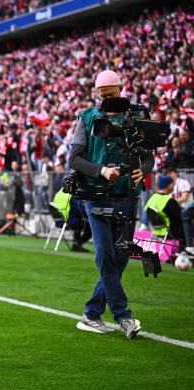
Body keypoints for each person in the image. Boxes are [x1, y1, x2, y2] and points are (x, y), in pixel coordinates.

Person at [68, 70, 154, 339]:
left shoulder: (137, 116)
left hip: (127, 194)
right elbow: (75, 159)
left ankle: (91, 313)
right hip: (95, 195)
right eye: (101, 95)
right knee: (105, 253)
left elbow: (148, 154)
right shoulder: (86, 117)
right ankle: (123, 316)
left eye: (111, 94)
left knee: (121, 256)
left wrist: (145, 170)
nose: (106, 99)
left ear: (121, 89)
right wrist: (101, 171)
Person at [145, 175, 186, 250]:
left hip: (156, 231)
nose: (173, 186)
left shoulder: (151, 199)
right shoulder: (169, 201)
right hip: (169, 232)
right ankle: (185, 252)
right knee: (187, 226)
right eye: (172, 184)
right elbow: (179, 220)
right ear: (168, 185)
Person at [165, 168, 194, 252]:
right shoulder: (170, 185)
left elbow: (185, 197)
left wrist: (173, 203)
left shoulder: (183, 182)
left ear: (174, 173)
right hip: (179, 210)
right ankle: (181, 247)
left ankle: (187, 246)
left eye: (169, 174)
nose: (168, 176)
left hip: (187, 209)